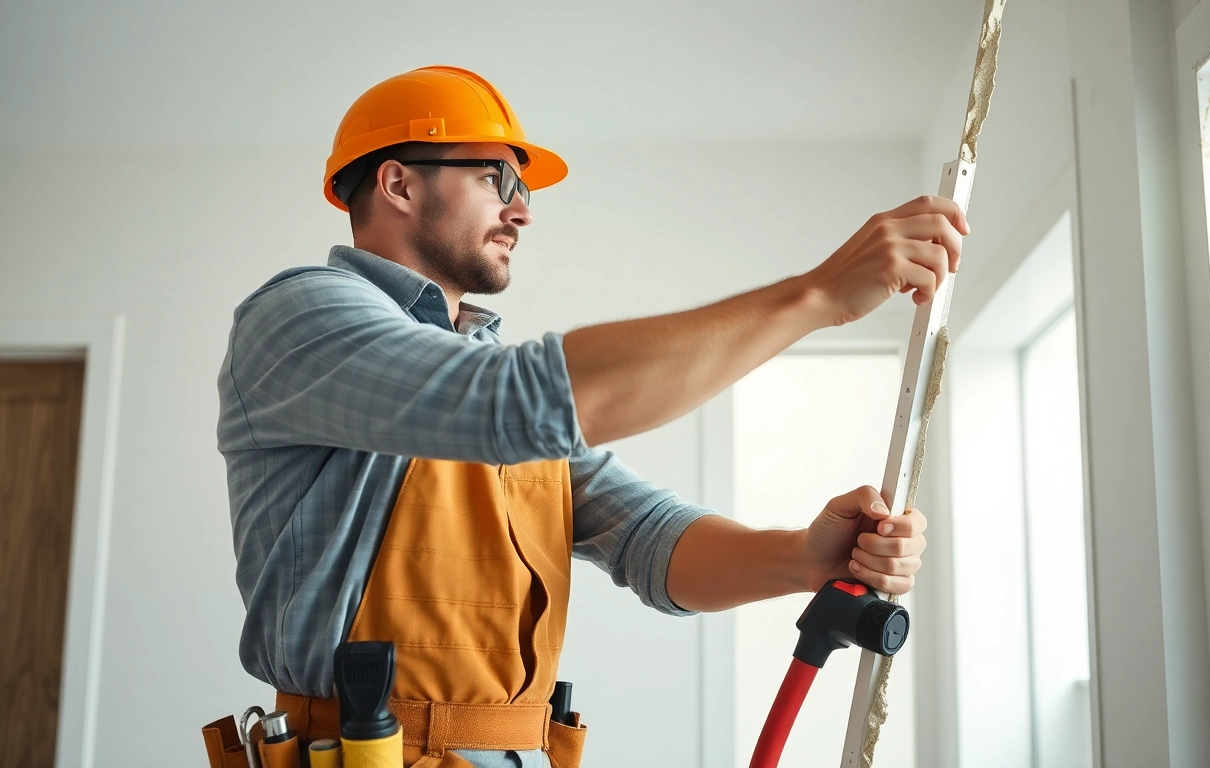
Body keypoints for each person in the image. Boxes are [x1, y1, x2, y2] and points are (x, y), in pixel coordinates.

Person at [217, 65, 966, 768]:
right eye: (494, 177)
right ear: (398, 183)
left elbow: (649, 539)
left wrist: (805, 558)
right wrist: (816, 296)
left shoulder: (487, 379)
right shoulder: (302, 316)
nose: (522, 210)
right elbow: (513, 402)